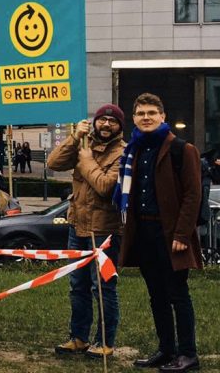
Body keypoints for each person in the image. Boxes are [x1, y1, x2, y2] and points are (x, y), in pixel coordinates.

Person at [115, 93, 203, 372]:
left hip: (171, 234)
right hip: (144, 233)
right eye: (141, 113)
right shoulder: (135, 150)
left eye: (152, 112)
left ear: (162, 116)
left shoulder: (182, 149)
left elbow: (193, 196)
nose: (146, 117)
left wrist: (181, 235)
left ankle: (188, 354)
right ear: (134, 118)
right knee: (156, 295)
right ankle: (167, 350)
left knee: (178, 294)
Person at [47, 104, 126, 358]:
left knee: (103, 288)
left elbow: (104, 186)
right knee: (77, 286)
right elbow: (53, 163)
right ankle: (79, 337)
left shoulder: (124, 154)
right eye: (102, 120)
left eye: (112, 122)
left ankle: (105, 342)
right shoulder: (83, 146)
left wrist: (87, 160)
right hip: (77, 227)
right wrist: (74, 138)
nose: (106, 125)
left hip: (104, 231)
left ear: (120, 127)